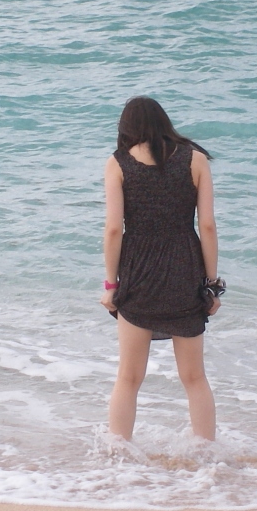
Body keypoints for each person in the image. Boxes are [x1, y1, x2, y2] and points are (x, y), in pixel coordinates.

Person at [100, 96, 224, 441]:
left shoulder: (118, 163)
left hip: (139, 271)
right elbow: (209, 226)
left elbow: (113, 230)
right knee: (195, 377)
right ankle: (206, 456)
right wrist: (211, 286)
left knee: (128, 377)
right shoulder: (195, 159)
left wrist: (111, 287)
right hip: (185, 269)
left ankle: (118, 456)